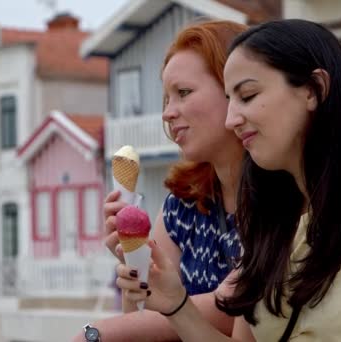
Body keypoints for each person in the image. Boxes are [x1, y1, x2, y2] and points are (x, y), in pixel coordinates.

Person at [116, 19, 341, 341]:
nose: (232, 119)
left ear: (314, 89)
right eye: (229, 100)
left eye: (247, 95)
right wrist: (176, 305)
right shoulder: (268, 214)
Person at [72, 19, 247, 341]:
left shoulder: (284, 202)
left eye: (183, 93)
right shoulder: (183, 204)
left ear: (236, 91)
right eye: (166, 99)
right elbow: (139, 321)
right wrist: (135, 263)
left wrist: (95, 334)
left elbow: (229, 308)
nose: (167, 113)